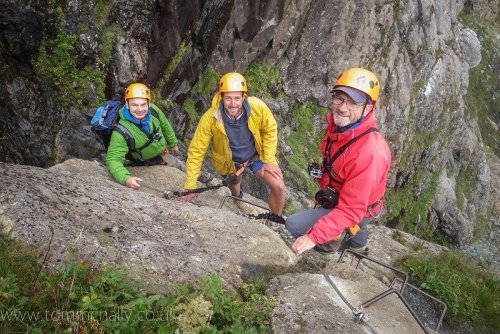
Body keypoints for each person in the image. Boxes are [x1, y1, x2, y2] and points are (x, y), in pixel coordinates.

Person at [286, 68, 391, 255]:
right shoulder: (340, 129)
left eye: (353, 103)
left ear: (368, 108)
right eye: (339, 98)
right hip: (352, 199)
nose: (343, 107)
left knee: (293, 225)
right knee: (357, 220)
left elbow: (351, 208)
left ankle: (330, 246)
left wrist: (313, 237)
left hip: (357, 206)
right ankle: (358, 244)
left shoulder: (370, 153)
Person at [180, 72, 285, 215]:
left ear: (243, 97)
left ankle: (274, 218)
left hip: (255, 156)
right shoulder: (211, 118)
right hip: (230, 161)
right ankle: (238, 199)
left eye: (237, 98)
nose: (233, 104)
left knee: (278, 186)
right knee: (234, 183)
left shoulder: (257, 107)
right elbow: (197, 151)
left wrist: (269, 160)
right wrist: (190, 186)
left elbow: (270, 129)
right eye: (228, 98)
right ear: (221, 97)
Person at [106, 83, 212, 189]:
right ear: (127, 104)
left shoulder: (153, 111)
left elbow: (165, 125)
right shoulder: (121, 132)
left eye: (143, 104)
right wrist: (126, 179)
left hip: (162, 153)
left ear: (148, 103)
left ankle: (198, 175)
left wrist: (173, 143)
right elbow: (113, 160)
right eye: (134, 105)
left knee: (180, 166)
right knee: (178, 165)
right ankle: (198, 175)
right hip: (143, 161)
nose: (139, 109)